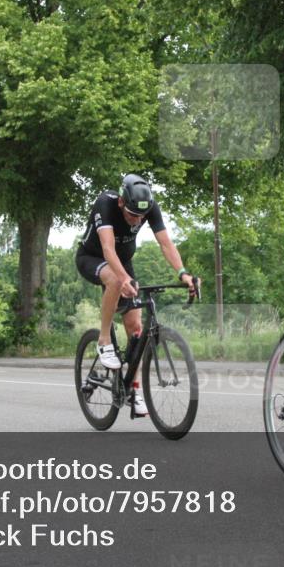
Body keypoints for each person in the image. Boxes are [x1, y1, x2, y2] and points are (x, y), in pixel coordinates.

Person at [75, 174, 197, 417]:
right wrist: (123, 279)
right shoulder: (106, 204)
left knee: (136, 327)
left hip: (123, 262)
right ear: (121, 202)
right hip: (93, 258)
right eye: (132, 215)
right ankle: (104, 340)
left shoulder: (149, 207)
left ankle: (133, 391)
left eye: (142, 216)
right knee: (114, 279)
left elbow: (166, 243)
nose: (137, 220)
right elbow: (108, 249)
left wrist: (183, 273)